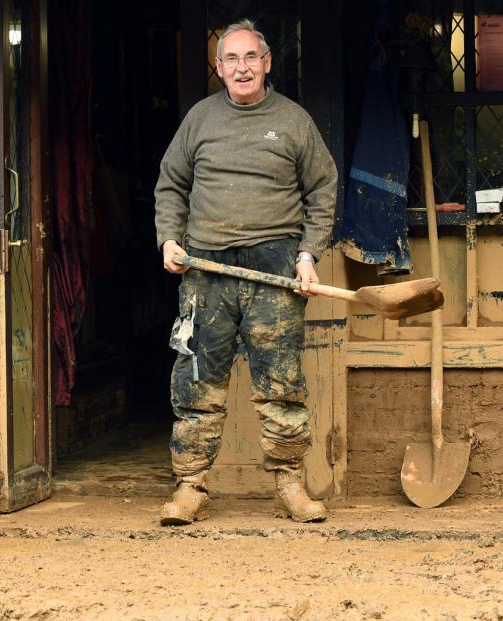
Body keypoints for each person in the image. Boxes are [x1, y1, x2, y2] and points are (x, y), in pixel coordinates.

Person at [154, 19, 337, 525]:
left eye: (250, 57)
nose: (241, 67)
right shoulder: (198, 120)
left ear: (268, 62)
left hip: (274, 264)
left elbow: (322, 190)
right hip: (206, 266)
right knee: (196, 381)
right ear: (218, 68)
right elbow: (171, 184)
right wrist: (170, 237)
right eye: (230, 59)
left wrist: (308, 255)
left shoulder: (294, 121)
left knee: (281, 383)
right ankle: (190, 486)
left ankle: (289, 484)